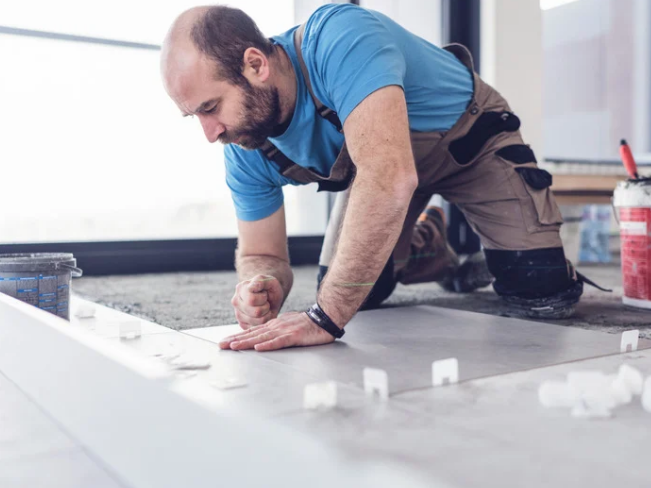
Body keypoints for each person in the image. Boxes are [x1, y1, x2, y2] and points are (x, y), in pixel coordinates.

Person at [160, 3, 585, 353]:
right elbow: (262, 253)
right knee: (359, 289)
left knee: (542, 291)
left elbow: (387, 177)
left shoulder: (338, 38)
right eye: (194, 115)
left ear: (255, 65)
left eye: (210, 107)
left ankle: (518, 256)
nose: (209, 133)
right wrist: (262, 283)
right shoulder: (245, 142)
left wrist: (324, 317)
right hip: (386, 167)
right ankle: (426, 249)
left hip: (470, 142)